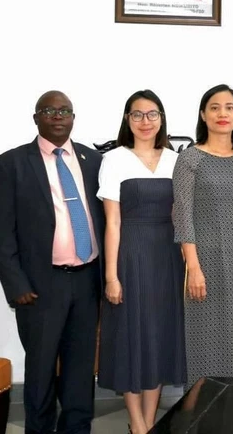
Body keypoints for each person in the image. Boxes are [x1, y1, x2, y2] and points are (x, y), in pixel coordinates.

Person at [0, 90, 104, 434]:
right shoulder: (11, 163)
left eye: (65, 111)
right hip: (40, 285)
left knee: (81, 368)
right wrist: (16, 285)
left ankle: (77, 428)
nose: (58, 116)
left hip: (87, 281)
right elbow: (2, 230)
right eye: (50, 110)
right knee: (40, 369)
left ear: (73, 118)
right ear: (36, 117)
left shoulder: (92, 160)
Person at [96, 90, 186, 434]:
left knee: (158, 337)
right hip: (130, 255)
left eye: (152, 114)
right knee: (133, 338)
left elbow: (182, 216)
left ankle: (148, 423)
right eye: (137, 114)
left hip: (168, 258)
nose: (145, 121)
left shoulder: (175, 159)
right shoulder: (115, 159)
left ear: (162, 119)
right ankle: (137, 423)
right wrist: (111, 277)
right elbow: (112, 223)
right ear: (127, 120)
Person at [173, 84, 233, 385]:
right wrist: (194, 269)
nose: (222, 113)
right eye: (214, 107)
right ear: (203, 114)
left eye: (229, 107)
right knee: (204, 345)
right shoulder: (190, 159)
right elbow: (182, 216)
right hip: (204, 265)